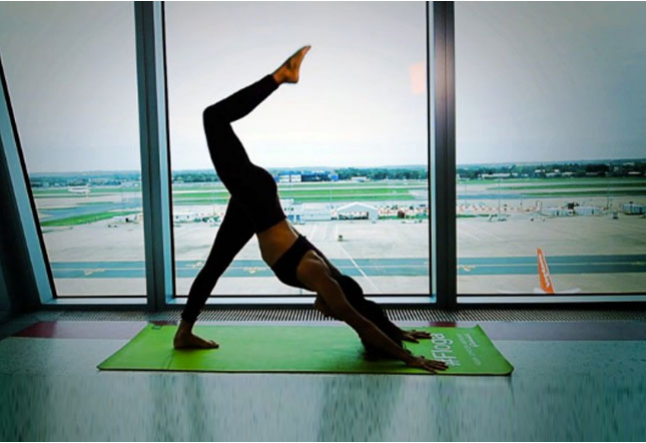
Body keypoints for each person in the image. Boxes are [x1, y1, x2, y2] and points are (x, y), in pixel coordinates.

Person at [173, 45, 447, 374]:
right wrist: (404, 351)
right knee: (212, 117)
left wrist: (397, 340)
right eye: (331, 308)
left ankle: (183, 332)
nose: (326, 312)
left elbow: (360, 314)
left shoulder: (325, 274)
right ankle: (280, 76)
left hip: (256, 208)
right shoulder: (325, 279)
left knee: (214, 265)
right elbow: (359, 318)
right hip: (259, 199)